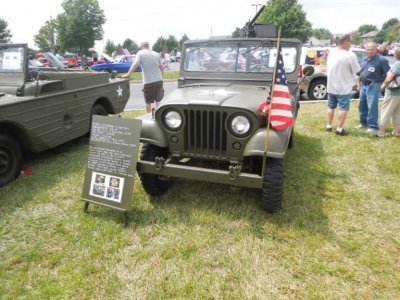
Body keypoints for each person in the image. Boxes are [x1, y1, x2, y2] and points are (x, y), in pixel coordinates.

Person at [326, 34, 361, 136]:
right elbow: (357, 70)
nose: (351, 43)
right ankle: (339, 129)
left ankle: (328, 126)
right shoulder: (350, 55)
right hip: (343, 87)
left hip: (331, 85)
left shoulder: (331, 53)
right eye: (350, 41)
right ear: (345, 41)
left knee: (330, 106)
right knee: (343, 108)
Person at [355, 42, 390, 134]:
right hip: (364, 86)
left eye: (372, 49)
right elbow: (359, 73)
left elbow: (389, 74)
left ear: (376, 49)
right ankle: (364, 123)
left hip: (373, 86)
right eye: (368, 49)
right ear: (365, 50)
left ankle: (373, 127)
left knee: (372, 107)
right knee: (362, 106)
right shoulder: (363, 59)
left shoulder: (381, 60)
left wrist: (382, 85)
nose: (370, 51)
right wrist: (358, 84)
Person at [124, 42, 165, 113]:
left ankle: (149, 117)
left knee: (148, 102)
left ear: (141, 47)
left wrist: (128, 74)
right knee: (158, 101)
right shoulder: (156, 54)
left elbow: (135, 64)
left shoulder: (140, 53)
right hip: (159, 81)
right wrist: (161, 77)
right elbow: (162, 67)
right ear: (149, 46)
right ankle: (159, 117)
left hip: (148, 82)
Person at [377, 48, 400, 137]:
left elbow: (389, 78)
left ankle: (381, 132)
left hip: (392, 93)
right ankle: (396, 131)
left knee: (386, 111)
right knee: (398, 112)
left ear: (396, 55)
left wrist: (382, 86)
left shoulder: (397, 64)